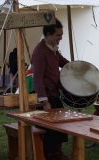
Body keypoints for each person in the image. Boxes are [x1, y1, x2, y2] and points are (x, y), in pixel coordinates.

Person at [32, 19, 70, 160]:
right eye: (58, 35)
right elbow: (37, 78)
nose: (60, 38)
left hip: (55, 93)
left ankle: (56, 153)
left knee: (59, 125)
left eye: (61, 35)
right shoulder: (40, 52)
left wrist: (76, 67)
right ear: (48, 34)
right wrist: (44, 100)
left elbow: (61, 61)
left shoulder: (52, 49)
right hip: (47, 95)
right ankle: (49, 155)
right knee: (49, 129)